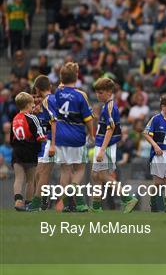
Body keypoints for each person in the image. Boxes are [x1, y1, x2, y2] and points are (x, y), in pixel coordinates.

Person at [91, 77, 138, 213]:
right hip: (101, 145)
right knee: (96, 176)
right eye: (97, 92)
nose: (98, 95)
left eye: (100, 92)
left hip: (104, 146)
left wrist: (102, 150)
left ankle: (127, 198)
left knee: (102, 176)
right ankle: (96, 206)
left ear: (109, 92)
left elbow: (110, 129)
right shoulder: (106, 106)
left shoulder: (110, 107)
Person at [55, 63, 94, 212]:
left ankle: (65, 204)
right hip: (76, 137)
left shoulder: (57, 92)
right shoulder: (80, 96)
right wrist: (91, 133)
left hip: (60, 136)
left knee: (65, 170)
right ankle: (75, 195)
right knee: (79, 169)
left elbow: (61, 84)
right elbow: (88, 118)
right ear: (76, 77)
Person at [11, 92, 46, 211]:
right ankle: (29, 204)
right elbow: (41, 136)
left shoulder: (15, 118)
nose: (33, 106)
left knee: (19, 178)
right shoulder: (33, 118)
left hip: (17, 151)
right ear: (27, 105)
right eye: (32, 104)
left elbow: (12, 137)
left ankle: (18, 201)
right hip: (29, 150)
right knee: (30, 180)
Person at [144, 95, 166, 213]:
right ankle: (153, 201)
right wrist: (155, 145)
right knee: (158, 182)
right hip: (158, 154)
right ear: (163, 107)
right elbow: (146, 133)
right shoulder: (156, 119)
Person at [30, 75, 57, 211]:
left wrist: (52, 143)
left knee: (41, 172)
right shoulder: (32, 114)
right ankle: (41, 199)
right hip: (38, 146)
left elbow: (53, 123)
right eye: (34, 97)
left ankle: (41, 200)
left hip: (49, 143)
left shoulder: (48, 105)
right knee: (38, 174)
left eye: (37, 96)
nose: (36, 99)